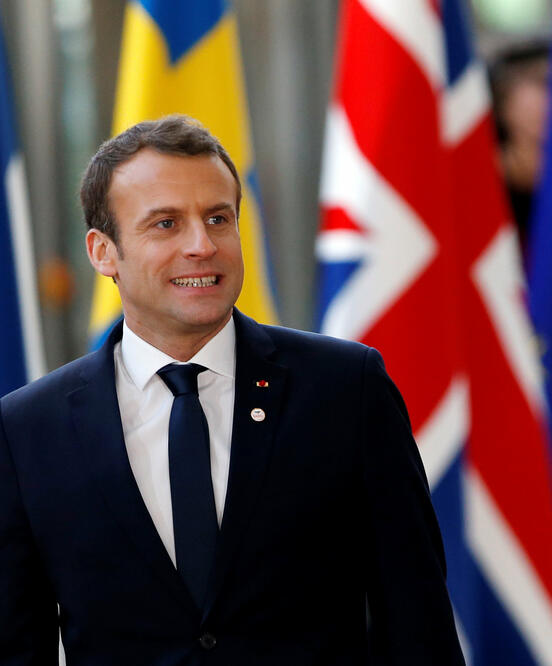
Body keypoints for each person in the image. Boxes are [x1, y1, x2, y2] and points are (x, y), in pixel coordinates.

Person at [0, 115, 465, 664]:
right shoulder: (29, 427)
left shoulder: (346, 389)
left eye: (218, 218)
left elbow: (417, 620)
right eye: (166, 224)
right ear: (103, 252)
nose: (202, 245)